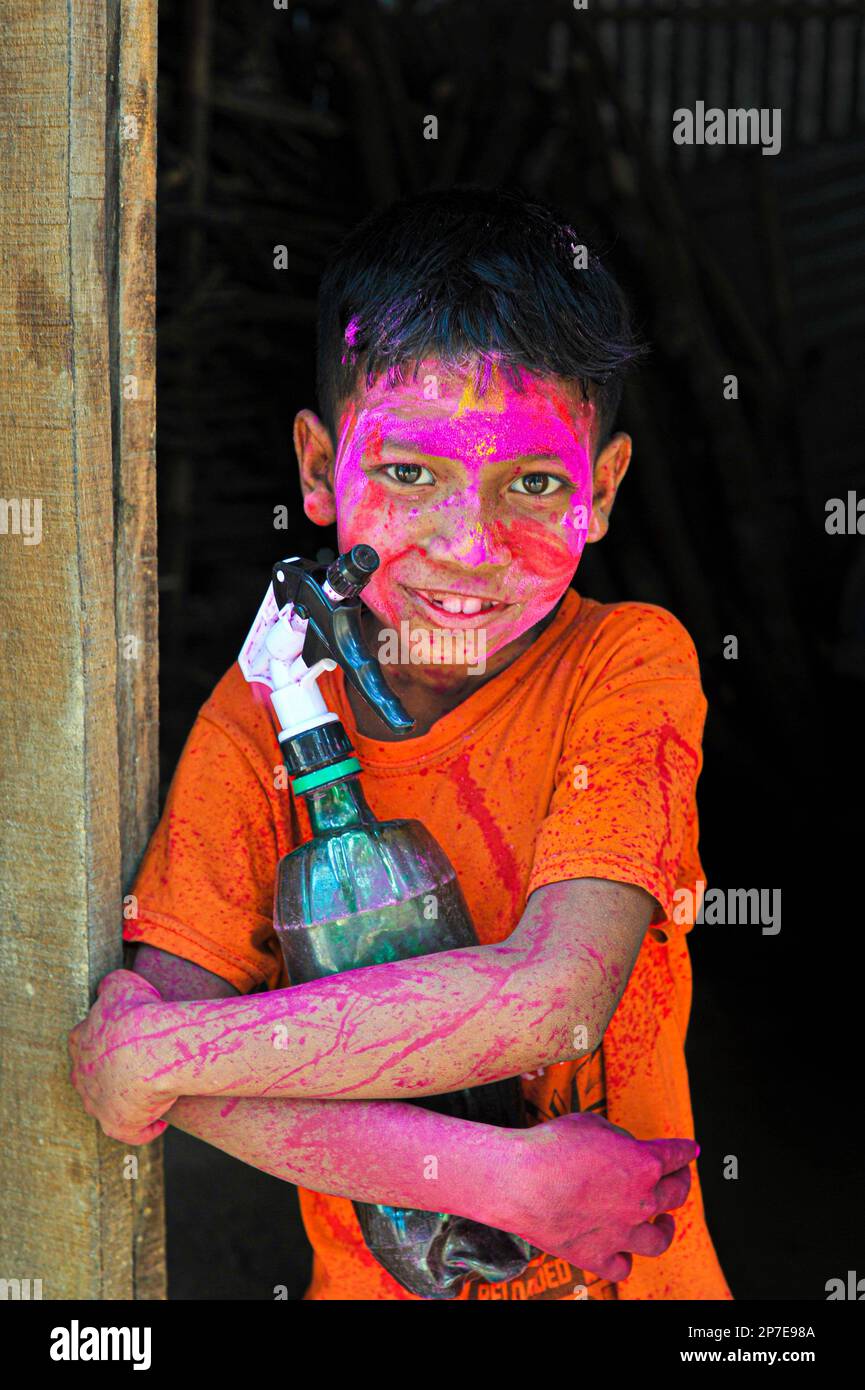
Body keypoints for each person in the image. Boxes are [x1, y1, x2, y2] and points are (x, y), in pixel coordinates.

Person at [69, 185, 732, 1302]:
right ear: (321, 469)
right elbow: (163, 1077)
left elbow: (557, 1000)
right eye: (409, 473)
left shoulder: (625, 665)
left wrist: (163, 1054)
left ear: (604, 489)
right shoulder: (256, 722)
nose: (467, 546)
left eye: (533, 482)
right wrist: (506, 1181)